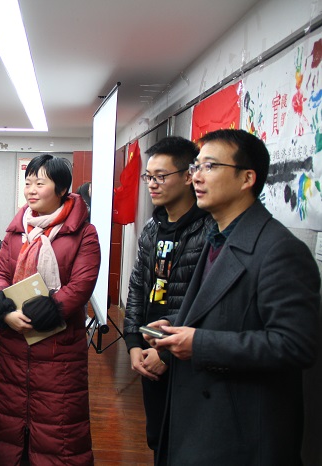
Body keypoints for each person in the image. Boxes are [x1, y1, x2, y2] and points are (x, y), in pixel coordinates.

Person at [147, 129, 320, 465]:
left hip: (239, 434)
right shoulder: (219, 237)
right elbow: (221, 311)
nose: (197, 177)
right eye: (196, 166)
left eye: (210, 166)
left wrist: (199, 344)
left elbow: (295, 345)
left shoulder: (280, 250)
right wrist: (176, 325)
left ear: (246, 178)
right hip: (202, 421)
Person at [0, 154, 101, 466]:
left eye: (40, 183)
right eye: (28, 183)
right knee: (9, 421)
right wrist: (4, 310)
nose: (31, 190)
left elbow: (82, 284)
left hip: (59, 346)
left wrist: (48, 310)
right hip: (13, 342)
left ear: (61, 189)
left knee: (56, 427)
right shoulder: (15, 232)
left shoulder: (84, 233)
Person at [122, 136, 212, 457]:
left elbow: (207, 303)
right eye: (148, 176)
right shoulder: (152, 227)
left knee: (186, 443)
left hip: (185, 354)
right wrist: (133, 343)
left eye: (161, 176)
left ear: (189, 176)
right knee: (157, 437)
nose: (152, 184)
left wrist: (167, 355)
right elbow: (137, 287)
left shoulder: (209, 230)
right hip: (150, 346)